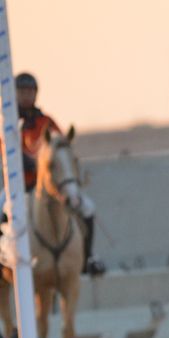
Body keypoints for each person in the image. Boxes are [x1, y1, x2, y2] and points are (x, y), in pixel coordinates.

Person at [8, 72, 105, 276]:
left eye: (30, 92)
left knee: (86, 207)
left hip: (51, 187)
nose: (27, 96)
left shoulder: (47, 121)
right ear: (15, 94)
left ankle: (86, 257)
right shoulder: (9, 122)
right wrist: (29, 162)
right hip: (20, 186)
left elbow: (62, 146)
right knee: (2, 211)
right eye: (22, 92)